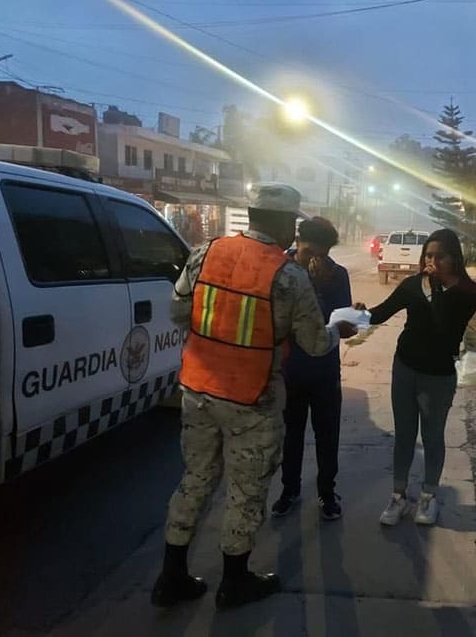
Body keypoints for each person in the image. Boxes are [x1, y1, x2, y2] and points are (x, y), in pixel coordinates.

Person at [150, 184, 357, 611]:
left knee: (195, 479)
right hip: (251, 398)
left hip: (198, 389)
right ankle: (234, 582)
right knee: (245, 491)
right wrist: (339, 331)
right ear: (281, 222)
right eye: (293, 222)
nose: (294, 230)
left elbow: (177, 311)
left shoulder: (207, 252)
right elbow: (316, 345)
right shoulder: (287, 275)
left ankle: (170, 578)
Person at [357, 228, 476, 526]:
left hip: (438, 376)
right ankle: (398, 496)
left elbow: (445, 327)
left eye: (440, 256)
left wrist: (435, 286)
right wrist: (358, 314)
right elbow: (381, 313)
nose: (433, 261)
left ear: (454, 258)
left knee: (433, 436)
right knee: (404, 435)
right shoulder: (413, 285)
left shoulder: (467, 291)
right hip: (405, 368)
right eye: (429, 255)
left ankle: (428, 496)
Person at [272, 217, 352, 521]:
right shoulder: (282, 271)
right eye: (309, 253)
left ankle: (327, 493)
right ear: (297, 242)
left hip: (325, 371)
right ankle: (289, 489)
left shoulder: (337, 275)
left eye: (323, 255)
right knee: (291, 435)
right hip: (290, 370)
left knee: (327, 435)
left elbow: (343, 322)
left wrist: (324, 289)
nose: (316, 261)